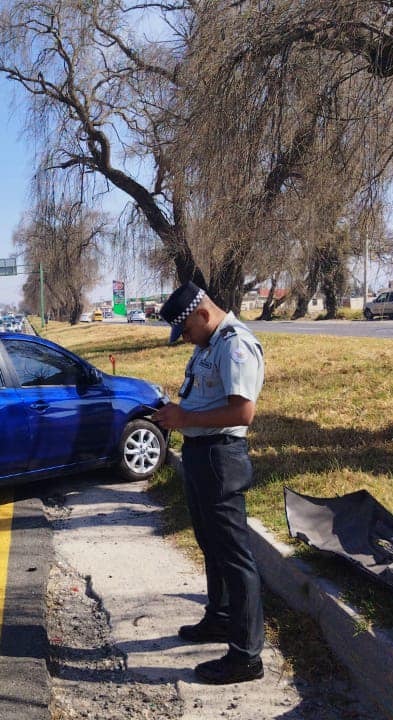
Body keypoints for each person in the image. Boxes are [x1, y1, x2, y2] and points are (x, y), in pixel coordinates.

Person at [153, 276, 266, 685]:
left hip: (221, 457)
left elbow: (242, 413)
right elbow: (203, 399)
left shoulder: (235, 344)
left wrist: (185, 419)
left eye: (185, 330)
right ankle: (219, 617)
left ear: (203, 314)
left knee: (235, 556)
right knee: (211, 544)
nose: (184, 338)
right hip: (201, 455)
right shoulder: (208, 345)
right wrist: (174, 413)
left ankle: (246, 656)